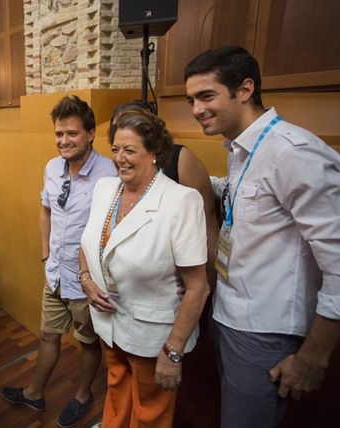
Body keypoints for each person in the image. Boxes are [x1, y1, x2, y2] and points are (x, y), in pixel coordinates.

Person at [184, 46, 340, 428]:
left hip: (264, 331)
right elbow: (243, 195)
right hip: (229, 314)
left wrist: (313, 357)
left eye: (206, 96)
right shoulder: (241, 149)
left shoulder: (295, 153)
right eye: (191, 99)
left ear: (245, 89)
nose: (196, 109)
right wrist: (187, 178)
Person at [79, 109, 210, 427]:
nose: (119, 158)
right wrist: (85, 278)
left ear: (153, 153)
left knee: (150, 415)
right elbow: (88, 243)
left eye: (129, 150)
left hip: (154, 338)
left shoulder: (180, 201)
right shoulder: (105, 190)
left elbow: (197, 287)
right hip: (109, 324)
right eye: (115, 149)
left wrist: (173, 351)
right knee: (116, 396)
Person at [0, 95, 117, 428]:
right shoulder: (52, 167)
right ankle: (35, 393)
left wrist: (93, 274)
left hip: (86, 279)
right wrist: (44, 251)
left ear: (91, 134)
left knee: (87, 341)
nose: (64, 141)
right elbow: (46, 209)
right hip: (55, 273)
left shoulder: (108, 173)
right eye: (59, 134)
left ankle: (82, 396)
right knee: (48, 335)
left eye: (72, 134)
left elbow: (111, 228)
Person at [110, 102, 219, 287]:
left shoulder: (181, 160)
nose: (121, 154)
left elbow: (207, 224)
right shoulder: (119, 176)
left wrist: (205, 284)